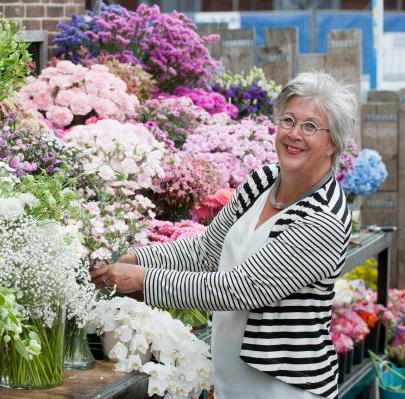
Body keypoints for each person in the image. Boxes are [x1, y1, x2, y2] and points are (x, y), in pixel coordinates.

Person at [90, 71, 358, 399]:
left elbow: (239, 289)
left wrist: (141, 280)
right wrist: (130, 258)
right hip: (231, 382)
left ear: (333, 143)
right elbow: (206, 252)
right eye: (288, 120)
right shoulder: (263, 181)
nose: (294, 134)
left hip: (285, 388)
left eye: (311, 126)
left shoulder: (323, 218)